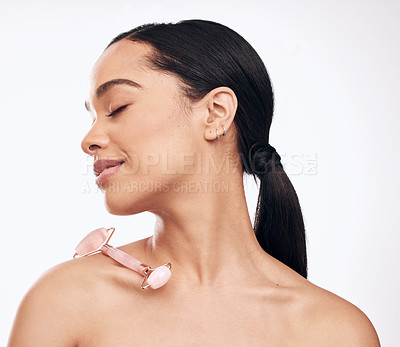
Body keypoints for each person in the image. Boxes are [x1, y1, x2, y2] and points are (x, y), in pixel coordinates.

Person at [8, 19, 380, 346]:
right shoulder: (65, 301)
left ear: (216, 112)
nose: (88, 140)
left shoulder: (337, 332)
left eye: (117, 107)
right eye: (91, 117)